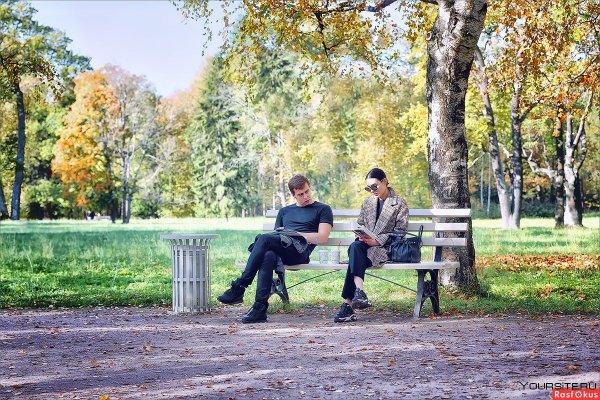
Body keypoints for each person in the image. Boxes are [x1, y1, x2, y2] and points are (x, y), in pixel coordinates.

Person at [218, 175, 333, 323]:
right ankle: (259, 309)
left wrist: (296, 234)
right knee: (268, 255)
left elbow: (322, 238)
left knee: (264, 238)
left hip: (300, 252)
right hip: (283, 249)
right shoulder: (284, 212)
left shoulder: (323, 209)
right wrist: (285, 235)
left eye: (307, 191)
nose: (306, 196)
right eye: (300, 194)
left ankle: (239, 287)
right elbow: (276, 237)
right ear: (293, 195)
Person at [334, 168, 409, 323]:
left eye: (374, 186)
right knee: (355, 247)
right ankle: (359, 292)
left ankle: (348, 305)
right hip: (365, 246)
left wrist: (378, 240)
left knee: (354, 255)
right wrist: (362, 235)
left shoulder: (399, 203)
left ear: (385, 181)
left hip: (385, 248)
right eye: (368, 188)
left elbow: (400, 232)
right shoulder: (368, 202)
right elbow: (360, 224)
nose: (372, 190)